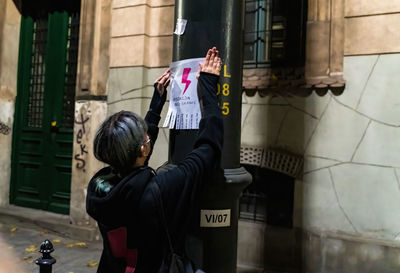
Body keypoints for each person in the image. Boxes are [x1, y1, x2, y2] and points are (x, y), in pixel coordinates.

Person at [86, 47, 223, 273]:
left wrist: (156, 104)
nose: (148, 137)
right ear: (141, 150)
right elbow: (208, 150)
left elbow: (135, 162)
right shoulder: (160, 189)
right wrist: (208, 87)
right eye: (145, 137)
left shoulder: (101, 188)